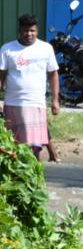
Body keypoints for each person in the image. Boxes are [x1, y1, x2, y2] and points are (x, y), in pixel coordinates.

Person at [0, 13, 59, 159]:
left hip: (36, 102)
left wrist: (55, 100)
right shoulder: (7, 49)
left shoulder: (46, 48)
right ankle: (22, 175)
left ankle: (35, 175)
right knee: (14, 143)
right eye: (26, 31)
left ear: (37, 31)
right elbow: (1, 76)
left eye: (32, 30)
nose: (29, 34)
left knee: (33, 145)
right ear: (20, 31)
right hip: (13, 102)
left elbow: (53, 75)